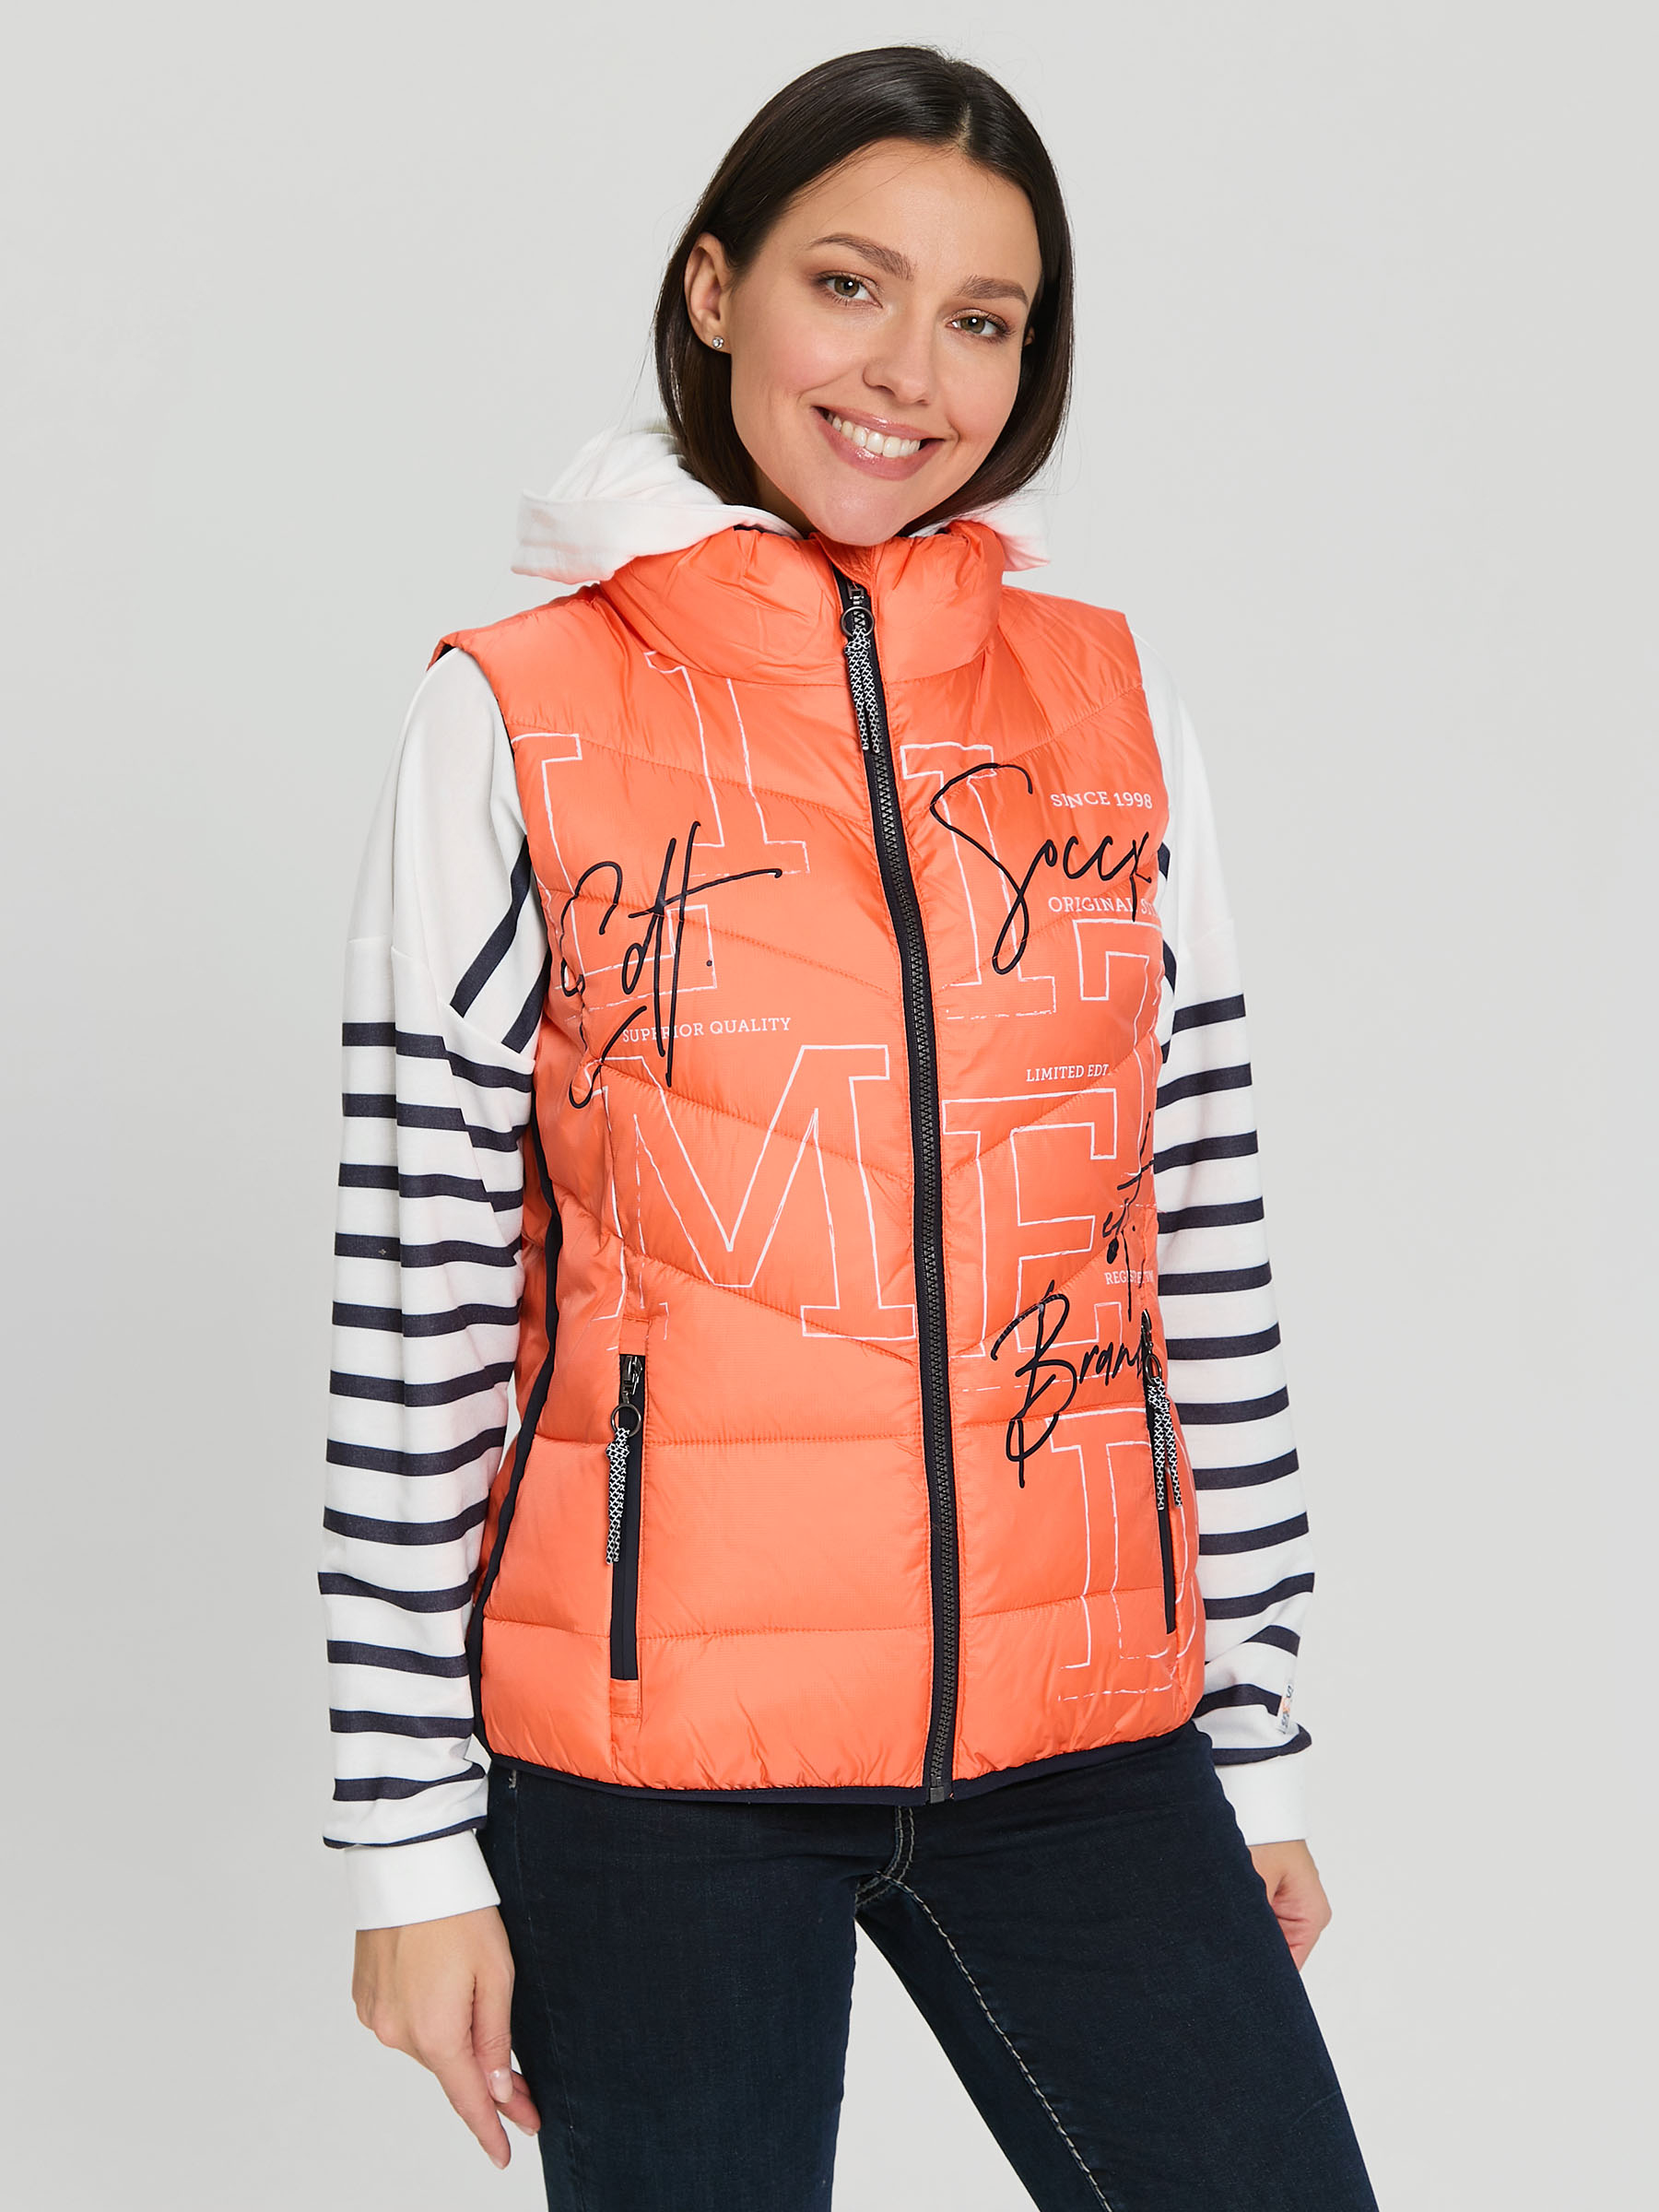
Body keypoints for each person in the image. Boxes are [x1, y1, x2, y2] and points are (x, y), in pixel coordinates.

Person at [322, 46, 1377, 2212]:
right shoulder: (515, 710)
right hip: (655, 1771)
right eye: (849, 285)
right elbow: (415, 1294)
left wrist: (1254, 1742)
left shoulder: (1109, 703)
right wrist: (408, 1844)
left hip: (1085, 1732)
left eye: (982, 319)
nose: (912, 374)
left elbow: (1196, 1235)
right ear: (715, 290)